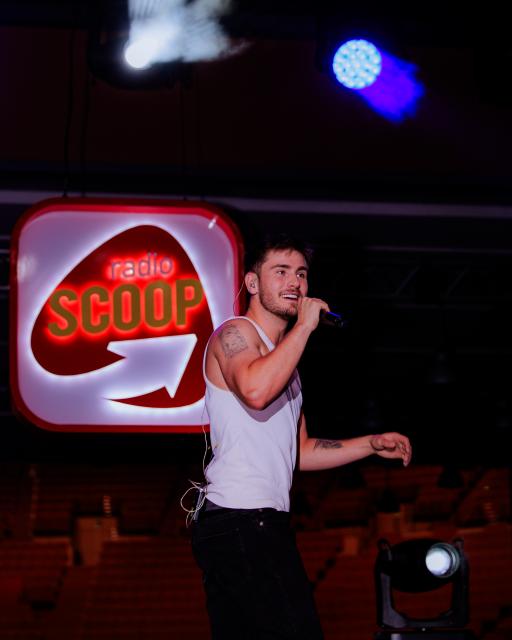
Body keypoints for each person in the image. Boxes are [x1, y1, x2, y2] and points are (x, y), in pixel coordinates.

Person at [191, 234, 412, 640]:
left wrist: (370, 443)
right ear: (252, 283)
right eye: (281, 272)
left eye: (301, 274)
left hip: (256, 520)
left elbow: (301, 452)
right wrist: (306, 326)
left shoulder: (287, 369)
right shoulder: (233, 333)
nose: (294, 282)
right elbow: (255, 392)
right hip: (241, 516)